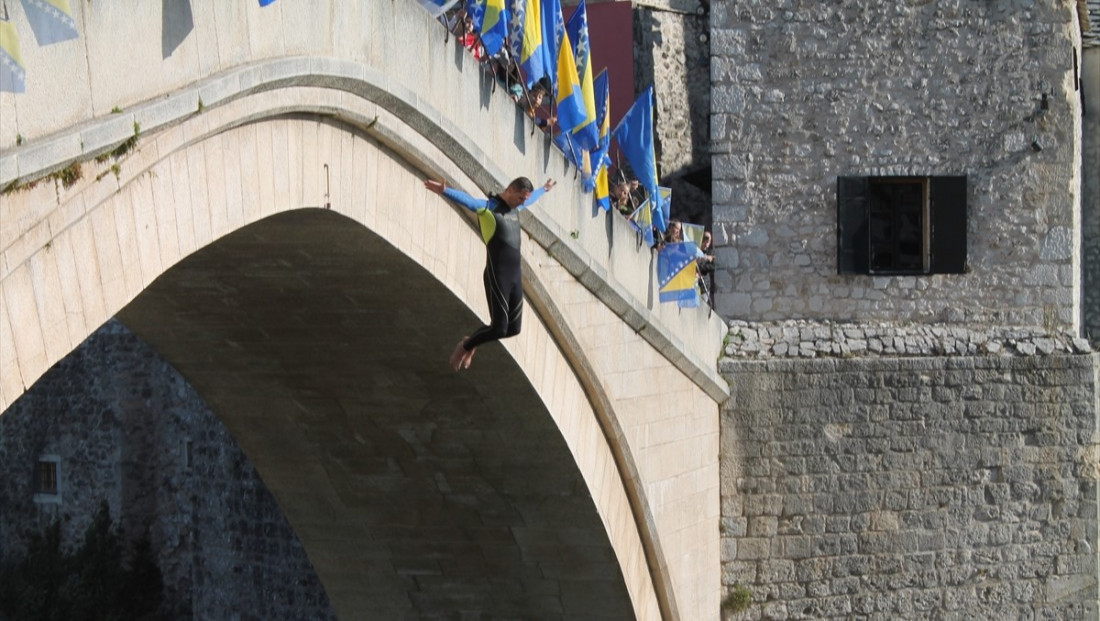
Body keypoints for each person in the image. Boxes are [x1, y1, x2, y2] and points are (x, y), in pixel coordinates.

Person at [424, 176, 557, 370]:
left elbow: (531, 199)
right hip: (498, 275)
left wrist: (543, 189)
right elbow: (469, 201)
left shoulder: (517, 208)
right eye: (520, 198)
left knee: (514, 329)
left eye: (524, 199)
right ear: (510, 190)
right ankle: (465, 347)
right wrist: (445, 191)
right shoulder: (489, 209)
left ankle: (472, 342)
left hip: (515, 278)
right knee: (499, 328)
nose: (522, 202)